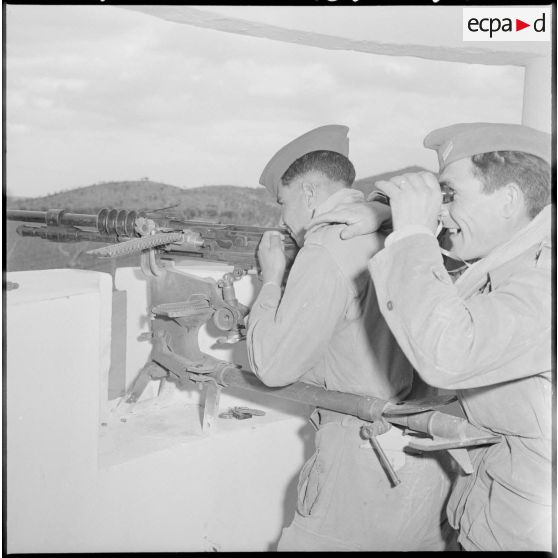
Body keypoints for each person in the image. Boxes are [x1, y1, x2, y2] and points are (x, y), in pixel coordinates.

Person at [311, 122, 552, 551]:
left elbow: (450, 353)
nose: (441, 210)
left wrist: (412, 234)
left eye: (451, 195)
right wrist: (387, 220)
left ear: (510, 199)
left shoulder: (542, 279)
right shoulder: (515, 263)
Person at [246, 125, 454, 551]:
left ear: (308, 194)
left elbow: (272, 366)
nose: (282, 219)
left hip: (363, 458)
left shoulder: (325, 245)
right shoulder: (399, 226)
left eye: (283, 203)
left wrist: (271, 282)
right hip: (425, 458)